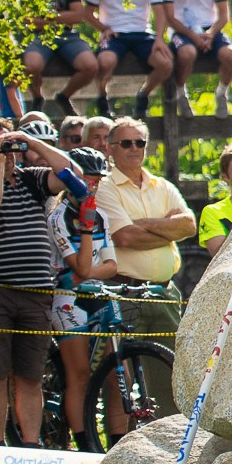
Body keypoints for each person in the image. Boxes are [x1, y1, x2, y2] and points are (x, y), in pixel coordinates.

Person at [0, 118, 83, 444]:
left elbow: (73, 175)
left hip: (36, 292)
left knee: (30, 375)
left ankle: (31, 445)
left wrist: (33, 143)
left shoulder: (33, 180)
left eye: (9, 146)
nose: (7, 153)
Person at [93, 116, 193, 343]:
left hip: (165, 292)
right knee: (125, 371)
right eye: (126, 143)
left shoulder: (162, 185)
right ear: (109, 148)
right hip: (124, 293)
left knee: (169, 371)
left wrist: (144, 223)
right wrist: (169, 232)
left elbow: (189, 226)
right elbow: (125, 237)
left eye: (140, 143)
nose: (134, 148)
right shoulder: (103, 188)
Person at [50, 145, 117, 438]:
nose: (93, 186)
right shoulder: (59, 217)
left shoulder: (101, 215)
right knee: (78, 374)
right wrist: (87, 230)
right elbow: (80, 265)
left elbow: (111, 266)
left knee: (117, 370)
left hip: (95, 293)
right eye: (88, 179)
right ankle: (84, 442)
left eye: (98, 181)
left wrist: (88, 273)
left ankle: (117, 440)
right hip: (67, 300)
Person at [86, 0, 174, 118]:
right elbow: (86, 13)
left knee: (165, 64)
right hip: (114, 34)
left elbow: (160, 12)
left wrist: (159, 38)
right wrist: (103, 28)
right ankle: (103, 97)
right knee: (104, 62)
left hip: (142, 33)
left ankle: (144, 95)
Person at [23, 0, 100, 120]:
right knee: (31, 66)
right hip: (38, 35)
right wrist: (62, 18)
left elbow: (78, 16)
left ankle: (64, 96)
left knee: (90, 65)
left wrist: (46, 19)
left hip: (67, 35)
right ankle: (37, 98)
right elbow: (28, 20)